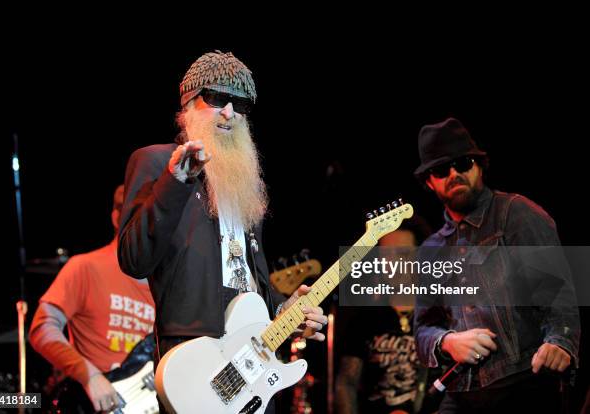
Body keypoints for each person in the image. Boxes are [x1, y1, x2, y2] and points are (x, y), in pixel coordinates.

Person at [117, 50, 327, 412]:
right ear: (188, 103)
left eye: (240, 104)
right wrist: (176, 180)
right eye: (216, 98)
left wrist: (284, 310)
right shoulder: (154, 161)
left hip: (252, 369)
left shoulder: (246, 182)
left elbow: (247, 278)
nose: (229, 112)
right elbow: (133, 259)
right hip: (194, 366)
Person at [412, 118, 580, 413]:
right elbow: (423, 328)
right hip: (461, 391)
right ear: (429, 181)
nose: (453, 174)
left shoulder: (516, 215)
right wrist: (449, 342)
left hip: (522, 381)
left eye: (462, 163)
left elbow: (558, 296)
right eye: (441, 170)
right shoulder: (430, 250)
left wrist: (561, 341)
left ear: (479, 165)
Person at [29, 185, 155, 412]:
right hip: (93, 404)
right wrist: (90, 375)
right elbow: (42, 328)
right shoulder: (85, 267)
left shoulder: (169, 287)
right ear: (117, 218)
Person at [335, 218, 443, 414]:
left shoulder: (443, 315)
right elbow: (346, 384)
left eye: (402, 255)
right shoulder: (364, 318)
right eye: (386, 256)